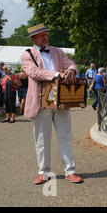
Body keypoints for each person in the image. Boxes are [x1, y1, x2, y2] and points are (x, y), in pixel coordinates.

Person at [20, 23, 83, 185]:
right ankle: (43, 172)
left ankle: (70, 171)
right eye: (41, 35)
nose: (45, 37)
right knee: (42, 139)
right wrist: (58, 74)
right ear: (33, 38)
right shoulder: (27, 55)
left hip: (61, 98)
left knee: (65, 136)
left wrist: (71, 70)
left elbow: (70, 63)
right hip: (41, 100)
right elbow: (35, 73)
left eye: (45, 34)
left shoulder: (57, 50)